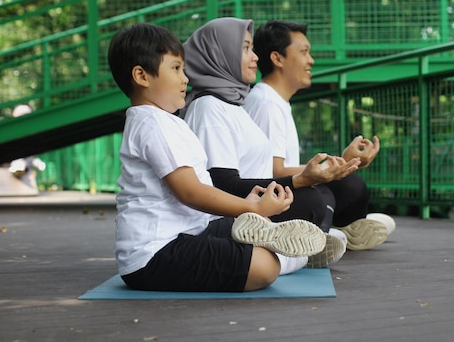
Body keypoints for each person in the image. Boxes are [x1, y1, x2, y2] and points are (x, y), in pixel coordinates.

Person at [107, 22, 326, 292]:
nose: (185, 78)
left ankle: (282, 246)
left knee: (255, 227)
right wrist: (251, 208)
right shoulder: (152, 124)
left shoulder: (165, 120)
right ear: (142, 76)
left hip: (192, 231)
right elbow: (191, 192)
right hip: (154, 253)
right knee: (264, 268)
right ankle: (291, 255)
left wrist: (248, 205)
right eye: (176, 68)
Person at [181, 17, 351, 270]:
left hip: (257, 206)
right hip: (235, 214)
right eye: (245, 48)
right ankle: (295, 251)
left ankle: (299, 243)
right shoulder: (209, 108)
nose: (255, 57)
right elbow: (222, 183)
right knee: (312, 200)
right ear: (220, 53)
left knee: (325, 194)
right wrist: (298, 180)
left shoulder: (234, 105)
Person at [244, 19, 396, 250]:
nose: (311, 60)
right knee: (332, 190)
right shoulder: (267, 104)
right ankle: (326, 234)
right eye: (304, 52)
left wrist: (343, 164)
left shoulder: (275, 101)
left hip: (280, 189)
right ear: (277, 58)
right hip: (266, 197)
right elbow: (273, 172)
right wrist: (338, 166)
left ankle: (338, 231)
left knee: (349, 185)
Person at [8, 104, 47, 190]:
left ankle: (28, 164)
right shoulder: (13, 131)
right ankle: (23, 164)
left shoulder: (32, 130)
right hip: (16, 157)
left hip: (26, 158)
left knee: (30, 153)